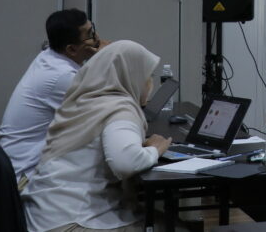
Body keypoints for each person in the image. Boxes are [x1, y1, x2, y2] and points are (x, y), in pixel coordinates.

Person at [22, 40, 173, 232]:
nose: (150, 82)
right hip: (73, 222)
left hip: (43, 213)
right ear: (132, 75)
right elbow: (125, 163)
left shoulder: (85, 100)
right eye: (148, 75)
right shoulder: (119, 109)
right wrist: (155, 149)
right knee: (173, 226)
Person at [0, 9, 104, 180]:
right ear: (71, 49)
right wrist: (107, 58)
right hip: (27, 174)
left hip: (25, 158)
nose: (97, 39)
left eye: (93, 29)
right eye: (90, 35)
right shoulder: (62, 76)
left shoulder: (49, 57)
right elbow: (102, 117)